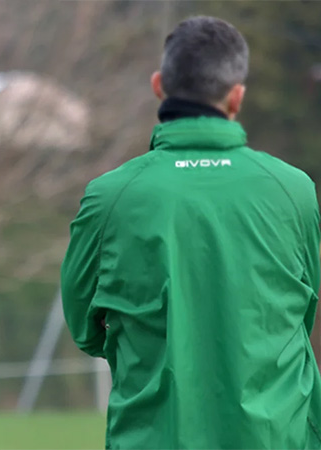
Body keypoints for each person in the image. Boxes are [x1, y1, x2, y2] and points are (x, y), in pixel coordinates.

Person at [61, 15, 321, 448]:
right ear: (236, 96)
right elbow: (303, 309)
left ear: (159, 85)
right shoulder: (294, 190)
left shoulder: (109, 197)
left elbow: (84, 327)